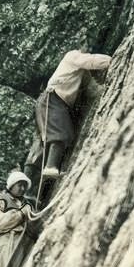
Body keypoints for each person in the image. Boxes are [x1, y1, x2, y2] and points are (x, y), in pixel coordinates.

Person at [24, 48, 112, 181]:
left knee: (54, 136)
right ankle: (49, 167)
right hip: (51, 98)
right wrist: (111, 60)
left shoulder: (81, 73)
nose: (85, 51)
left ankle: (40, 176)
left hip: (52, 101)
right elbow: (91, 60)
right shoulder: (72, 56)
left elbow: (93, 89)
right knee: (60, 132)